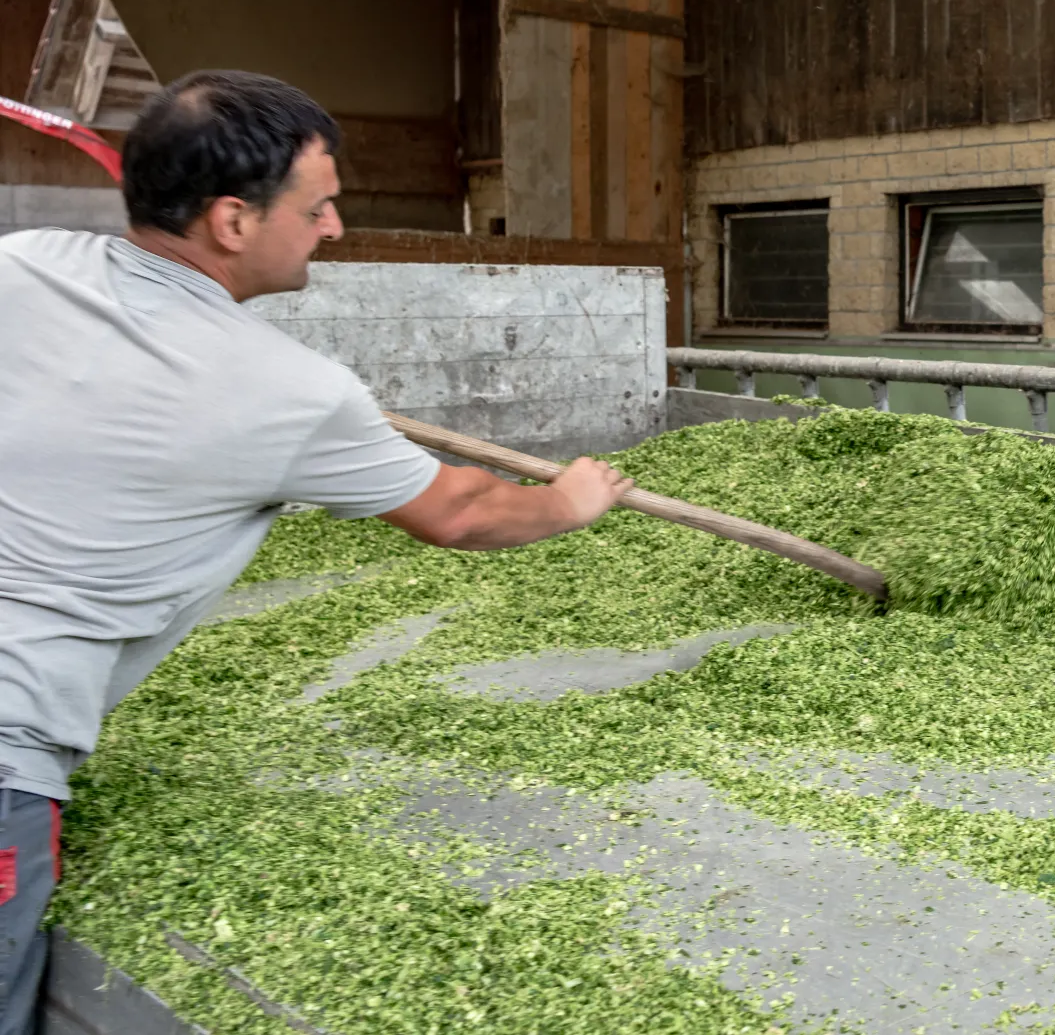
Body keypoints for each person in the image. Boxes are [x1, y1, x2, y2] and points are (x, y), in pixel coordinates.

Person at [0, 71, 636, 1033]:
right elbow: (459, 511)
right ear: (232, 221)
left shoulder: (22, 263)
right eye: (319, 206)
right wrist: (569, 501)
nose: (334, 228)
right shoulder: (288, 389)